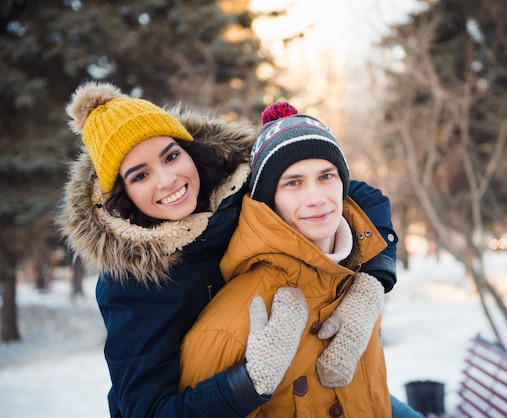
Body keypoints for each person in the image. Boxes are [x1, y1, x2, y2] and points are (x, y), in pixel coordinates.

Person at [57, 82, 399, 417]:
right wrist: (250, 379)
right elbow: (146, 410)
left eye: (171, 156)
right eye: (140, 176)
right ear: (121, 195)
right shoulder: (130, 285)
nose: (167, 180)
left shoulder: (233, 189)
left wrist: (372, 283)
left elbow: (354, 197)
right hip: (219, 399)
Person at [178, 102, 402, 416]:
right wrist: (249, 383)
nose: (316, 198)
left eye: (326, 176)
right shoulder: (227, 326)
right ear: (269, 200)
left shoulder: (358, 288)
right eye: (293, 183)